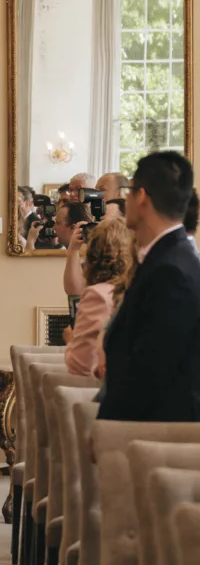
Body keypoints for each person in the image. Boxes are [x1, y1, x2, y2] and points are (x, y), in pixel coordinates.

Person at [98, 151, 200, 422]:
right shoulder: (165, 259)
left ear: (141, 196)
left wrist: (104, 429)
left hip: (155, 430)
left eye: (129, 193)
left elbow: (150, 370)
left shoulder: (171, 271)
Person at [63, 217, 134, 376]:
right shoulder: (144, 288)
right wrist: (73, 250)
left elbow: (81, 366)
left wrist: (70, 342)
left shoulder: (99, 295)